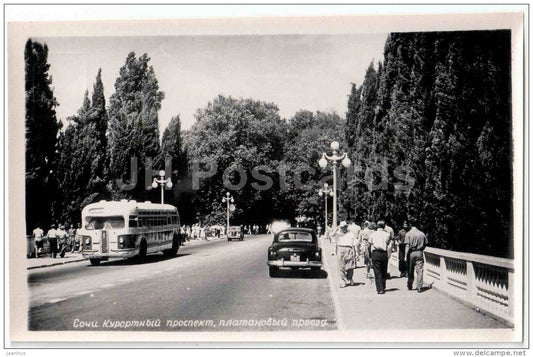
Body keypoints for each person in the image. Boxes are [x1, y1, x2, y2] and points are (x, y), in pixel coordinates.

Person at [405, 222, 429, 293]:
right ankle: (419, 287)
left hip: (411, 253)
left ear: (410, 225)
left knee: (410, 270)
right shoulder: (422, 234)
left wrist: (405, 256)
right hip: (419, 252)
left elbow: (407, 246)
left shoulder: (408, 234)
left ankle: (410, 285)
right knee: (420, 270)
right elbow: (425, 244)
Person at [369, 220, 391, 294]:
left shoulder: (373, 234)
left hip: (375, 253)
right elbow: (388, 243)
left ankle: (379, 288)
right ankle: (383, 285)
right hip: (383, 253)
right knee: (384, 270)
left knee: (377, 271)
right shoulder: (387, 235)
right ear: (384, 226)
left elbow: (370, 243)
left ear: (377, 226)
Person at [334, 221, 357, 288]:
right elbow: (332, 234)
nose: (343, 228)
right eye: (342, 227)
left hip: (349, 249)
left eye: (344, 227)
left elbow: (355, 243)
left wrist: (356, 253)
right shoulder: (338, 234)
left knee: (350, 266)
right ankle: (343, 281)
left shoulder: (351, 234)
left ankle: (350, 278)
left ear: (346, 227)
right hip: (341, 249)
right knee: (341, 266)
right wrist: (337, 228)